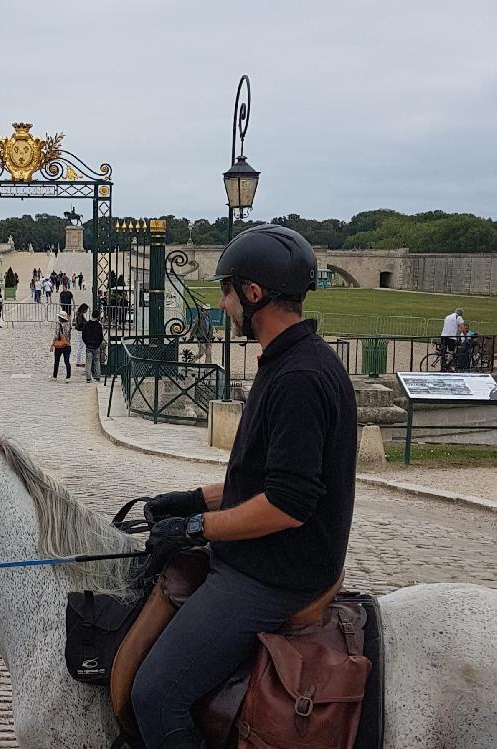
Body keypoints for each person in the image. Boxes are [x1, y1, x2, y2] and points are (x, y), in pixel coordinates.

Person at [131, 225, 357, 749]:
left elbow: (286, 504)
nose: (222, 302)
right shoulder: (294, 361)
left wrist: (196, 525)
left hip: (275, 572)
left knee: (155, 695)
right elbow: (257, 482)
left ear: (254, 294)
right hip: (272, 556)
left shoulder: (298, 378)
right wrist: (192, 499)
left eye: (227, 291)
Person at [81, 308, 104, 383]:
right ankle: (98, 376)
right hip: (96, 345)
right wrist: (98, 343)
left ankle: (88, 377)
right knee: (97, 361)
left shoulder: (87, 324)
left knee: (88, 361)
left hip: (89, 345)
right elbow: (101, 336)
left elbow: (83, 335)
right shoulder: (99, 325)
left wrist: (86, 343)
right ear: (98, 316)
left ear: (91, 315)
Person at [50, 311, 72, 381]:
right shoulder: (69, 324)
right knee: (67, 361)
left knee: (56, 361)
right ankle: (68, 377)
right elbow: (69, 335)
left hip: (59, 345)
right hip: (67, 345)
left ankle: (55, 376)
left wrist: (52, 344)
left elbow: (56, 335)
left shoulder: (58, 324)